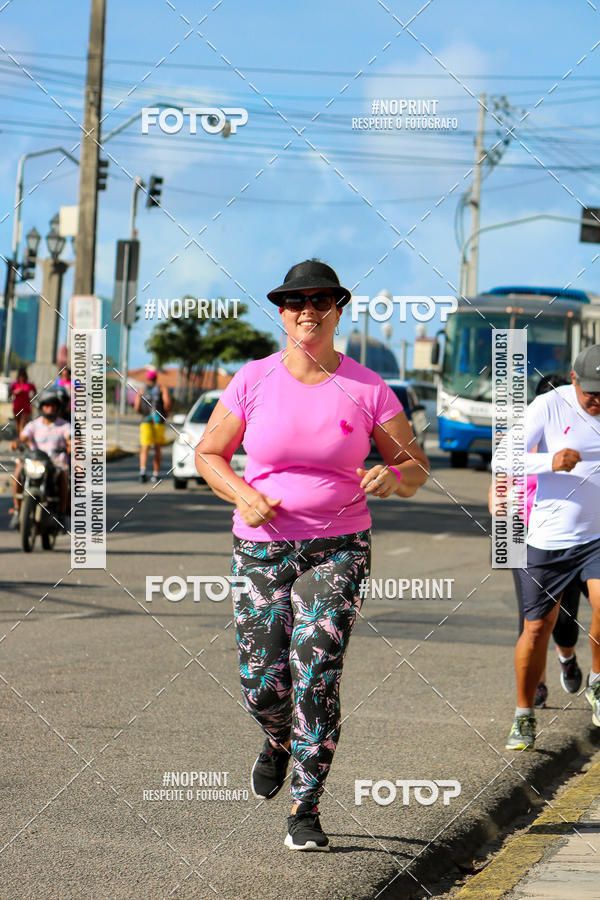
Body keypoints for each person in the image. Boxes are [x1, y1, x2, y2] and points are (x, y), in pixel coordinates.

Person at [195, 259, 430, 850]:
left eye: (321, 300)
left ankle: (306, 809)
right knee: (262, 684)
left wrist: (392, 475)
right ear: (281, 313)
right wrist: (243, 494)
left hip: (340, 548)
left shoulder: (369, 387)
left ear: (337, 310)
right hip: (262, 548)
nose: (308, 310)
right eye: (296, 301)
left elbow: (416, 464)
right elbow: (209, 453)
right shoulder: (253, 379)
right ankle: (277, 739)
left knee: (317, 673)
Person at [494, 345, 600, 751]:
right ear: (574, 380)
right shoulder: (547, 407)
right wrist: (549, 462)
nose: (598, 401)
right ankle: (524, 715)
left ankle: (597, 682)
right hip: (548, 538)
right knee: (537, 628)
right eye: (592, 392)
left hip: (596, 534)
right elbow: (502, 459)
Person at [489, 373, 583, 709]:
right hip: (523, 539)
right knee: (531, 620)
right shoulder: (522, 441)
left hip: (567, 539)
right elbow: (498, 492)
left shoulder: (577, 445)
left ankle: (567, 656)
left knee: (566, 620)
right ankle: (537, 685)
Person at [9, 389, 71, 530]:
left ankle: (61, 514)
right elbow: (24, 437)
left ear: (58, 407)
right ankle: (17, 509)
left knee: (64, 476)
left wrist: (72, 445)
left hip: (56, 462)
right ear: (42, 406)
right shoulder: (34, 424)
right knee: (18, 471)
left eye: (53, 405)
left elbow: (71, 438)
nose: (50, 408)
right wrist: (17, 442)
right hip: (35, 461)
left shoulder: (65, 425)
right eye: (47, 405)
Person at [134, 367, 172, 483]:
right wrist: (166, 413)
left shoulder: (141, 390)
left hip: (146, 421)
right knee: (157, 448)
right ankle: (155, 475)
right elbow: (167, 403)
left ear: (147, 378)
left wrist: (143, 414)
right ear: (156, 378)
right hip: (158, 421)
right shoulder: (161, 388)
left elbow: (136, 407)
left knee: (144, 448)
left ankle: (143, 472)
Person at [8, 368, 36, 438]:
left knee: (22, 425)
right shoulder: (14, 384)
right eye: (21, 376)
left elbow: (35, 392)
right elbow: (10, 394)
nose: (22, 377)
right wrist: (15, 391)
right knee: (17, 425)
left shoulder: (29, 385)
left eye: (23, 376)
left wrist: (32, 399)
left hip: (25, 407)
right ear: (18, 377)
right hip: (17, 407)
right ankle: (20, 438)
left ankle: (21, 440)